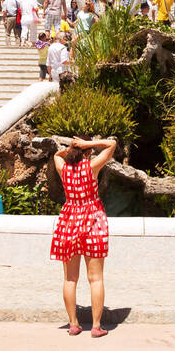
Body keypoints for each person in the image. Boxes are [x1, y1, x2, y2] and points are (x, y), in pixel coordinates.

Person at [51, 137, 118, 337]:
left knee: (70, 278)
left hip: (69, 220)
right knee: (95, 278)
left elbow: (56, 154)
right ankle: (96, 326)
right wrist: (88, 144)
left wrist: (71, 148)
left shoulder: (63, 168)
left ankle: (73, 324)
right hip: (93, 220)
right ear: (87, 152)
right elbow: (112, 144)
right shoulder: (92, 167)